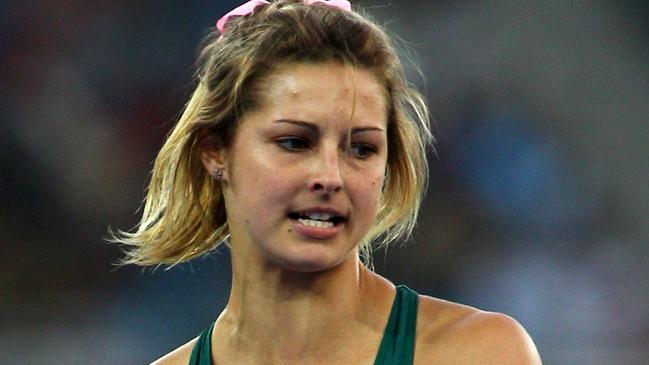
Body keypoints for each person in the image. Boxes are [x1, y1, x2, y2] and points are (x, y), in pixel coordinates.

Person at [113, 0, 542, 364]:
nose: (330, 177)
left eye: (361, 149)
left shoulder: (478, 353)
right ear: (215, 150)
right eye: (295, 142)